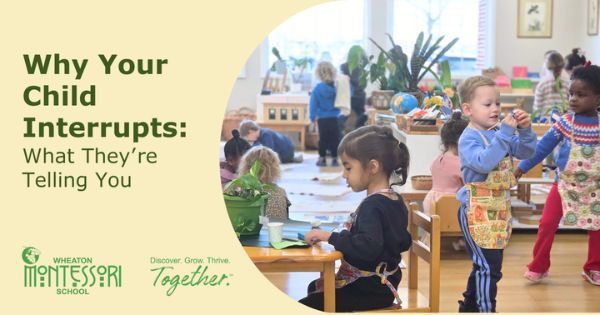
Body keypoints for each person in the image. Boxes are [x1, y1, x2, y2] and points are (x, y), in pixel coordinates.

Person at [298, 125, 412, 312]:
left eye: (348, 168)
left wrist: (330, 237)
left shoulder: (372, 206)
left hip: (369, 289)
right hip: (382, 284)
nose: (344, 174)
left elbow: (368, 247)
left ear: (373, 167)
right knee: (314, 287)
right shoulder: (394, 198)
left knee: (306, 305)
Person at [456, 76, 537, 312]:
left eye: (498, 104)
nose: (495, 109)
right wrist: (505, 133)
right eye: (488, 104)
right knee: (488, 267)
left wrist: (525, 130)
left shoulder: (498, 131)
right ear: (468, 109)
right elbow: (484, 162)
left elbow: (526, 150)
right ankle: (485, 309)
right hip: (475, 211)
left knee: (488, 264)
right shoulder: (469, 138)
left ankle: (470, 305)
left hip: (498, 209)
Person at [516, 63, 600, 286]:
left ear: (598, 98)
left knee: (597, 227)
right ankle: (539, 265)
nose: (573, 99)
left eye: (581, 95)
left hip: (595, 188)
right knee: (547, 223)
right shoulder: (564, 123)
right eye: (571, 94)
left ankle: (594, 267)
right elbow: (541, 149)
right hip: (563, 185)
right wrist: (521, 168)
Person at [422, 111, 468, 250]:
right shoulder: (460, 162)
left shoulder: (439, 158)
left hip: (431, 202)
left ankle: (430, 239)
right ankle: (464, 240)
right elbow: (469, 184)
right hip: (449, 206)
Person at [238, 146, 290, 220]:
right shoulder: (280, 192)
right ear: (275, 169)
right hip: (276, 230)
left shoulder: (241, 193)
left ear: (246, 167)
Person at [310, 61, 341, 167]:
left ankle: (322, 159)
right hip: (335, 117)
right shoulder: (336, 88)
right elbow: (344, 98)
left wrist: (312, 117)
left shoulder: (317, 89)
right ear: (333, 72)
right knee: (335, 139)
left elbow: (313, 104)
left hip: (322, 119)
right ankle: (335, 159)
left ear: (318, 74)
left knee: (323, 139)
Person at [340, 47, 368, 130]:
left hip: (348, 97)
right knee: (360, 120)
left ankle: (344, 135)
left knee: (345, 118)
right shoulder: (362, 69)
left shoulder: (344, 67)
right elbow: (363, 85)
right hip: (359, 97)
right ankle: (357, 135)